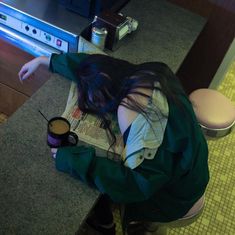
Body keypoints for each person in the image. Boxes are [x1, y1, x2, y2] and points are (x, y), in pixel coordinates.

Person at [18, 53, 209, 235]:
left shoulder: (129, 112)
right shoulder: (150, 73)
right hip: (194, 169)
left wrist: (71, 159)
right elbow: (95, 69)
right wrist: (48, 60)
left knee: (147, 228)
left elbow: (133, 186)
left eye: (97, 103)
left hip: (174, 198)